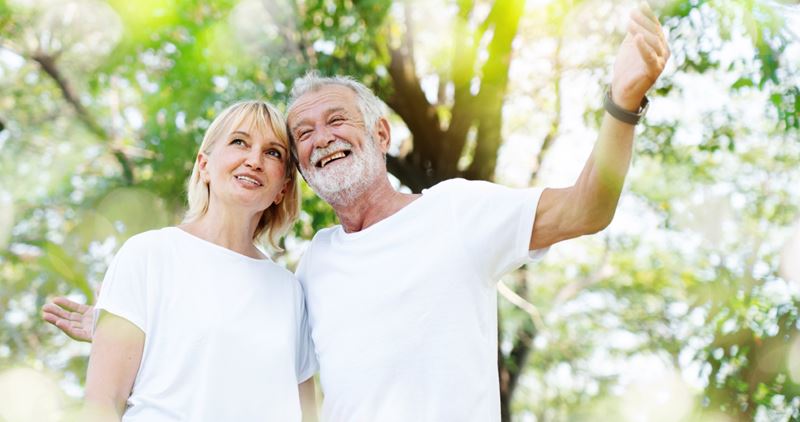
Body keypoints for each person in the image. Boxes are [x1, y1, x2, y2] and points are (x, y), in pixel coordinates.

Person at [46, 3, 669, 421]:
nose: (320, 137)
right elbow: (230, 338)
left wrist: (621, 105)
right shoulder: (313, 265)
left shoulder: (455, 212)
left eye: (336, 120)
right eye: (305, 133)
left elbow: (587, 208)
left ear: (381, 133)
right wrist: (125, 325)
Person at [52, 100, 318, 421]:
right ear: (204, 165)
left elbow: (307, 416)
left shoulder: (289, 290)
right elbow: (103, 403)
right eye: (239, 142)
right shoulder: (149, 255)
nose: (254, 160)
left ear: (283, 188)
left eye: (273, 152)